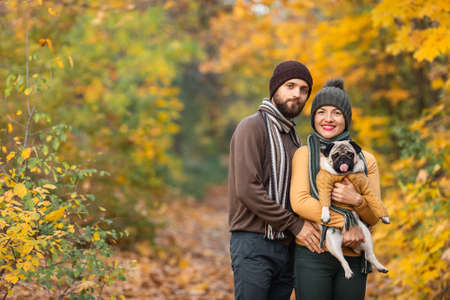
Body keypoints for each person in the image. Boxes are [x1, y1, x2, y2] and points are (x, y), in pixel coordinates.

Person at [228, 61, 322, 300]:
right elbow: (248, 189)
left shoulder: (293, 138)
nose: (297, 95)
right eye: (290, 86)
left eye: (303, 90)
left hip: (287, 247)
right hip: (254, 242)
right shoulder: (252, 127)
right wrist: (295, 225)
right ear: (275, 88)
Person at [290, 78, 382, 300]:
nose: (328, 119)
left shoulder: (366, 160)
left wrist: (357, 201)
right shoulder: (304, 154)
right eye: (321, 112)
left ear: (346, 119)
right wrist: (349, 222)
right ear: (314, 117)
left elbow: (374, 214)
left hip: (353, 255)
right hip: (313, 254)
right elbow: (301, 201)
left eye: (336, 113)